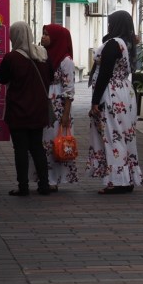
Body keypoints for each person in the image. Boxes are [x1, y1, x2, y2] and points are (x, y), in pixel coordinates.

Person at [87, 10, 143, 194]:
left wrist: (95, 101)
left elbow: (105, 73)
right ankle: (126, 178)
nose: (109, 25)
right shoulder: (127, 43)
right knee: (125, 135)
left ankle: (117, 181)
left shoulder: (113, 44)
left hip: (111, 93)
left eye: (111, 22)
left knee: (113, 135)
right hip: (124, 92)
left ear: (117, 24)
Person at [0, 22, 52, 197]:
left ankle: (23, 186)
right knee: (37, 147)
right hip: (38, 109)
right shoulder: (42, 55)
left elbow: (1, 78)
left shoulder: (12, 58)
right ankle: (44, 185)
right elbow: (50, 77)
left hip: (18, 110)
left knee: (20, 149)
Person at [40, 23, 79, 190]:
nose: (43, 37)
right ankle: (46, 177)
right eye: (43, 33)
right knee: (45, 142)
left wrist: (65, 114)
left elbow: (69, 90)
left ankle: (53, 180)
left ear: (56, 38)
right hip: (45, 103)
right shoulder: (44, 55)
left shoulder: (66, 61)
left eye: (47, 34)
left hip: (58, 106)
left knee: (55, 141)